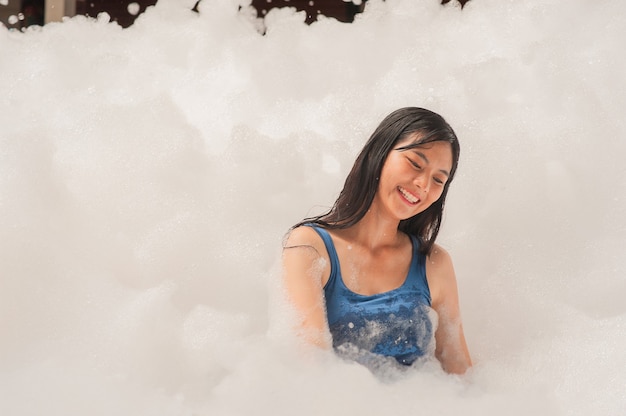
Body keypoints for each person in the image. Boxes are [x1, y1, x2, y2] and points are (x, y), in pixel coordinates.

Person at [282, 107, 472, 374]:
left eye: (438, 180)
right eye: (415, 164)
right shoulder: (310, 247)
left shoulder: (434, 263)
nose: (423, 185)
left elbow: (458, 368)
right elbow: (312, 367)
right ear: (379, 153)